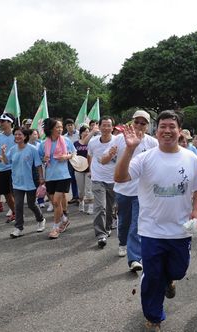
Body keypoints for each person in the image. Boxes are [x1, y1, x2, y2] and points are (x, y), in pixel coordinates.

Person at [114, 110, 197, 331]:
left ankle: (170, 280)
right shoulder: (144, 158)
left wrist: (196, 211)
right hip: (151, 229)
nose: (166, 130)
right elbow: (119, 177)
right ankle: (154, 317)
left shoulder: (191, 158)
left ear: (179, 130)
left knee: (178, 270)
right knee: (152, 276)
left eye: (171, 126)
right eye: (162, 126)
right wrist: (130, 148)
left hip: (180, 230)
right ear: (157, 130)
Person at [103, 110, 157, 272]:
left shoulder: (152, 143)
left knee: (137, 224)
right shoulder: (120, 139)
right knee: (124, 221)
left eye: (143, 123)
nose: (139, 126)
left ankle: (134, 258)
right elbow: (104, 159)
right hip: (123, 189)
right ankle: (122, 242)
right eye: (137, 122)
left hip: (143, 192)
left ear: (148, 126)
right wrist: (110, 155)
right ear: (131, 123)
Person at [2, 127, 46, 237]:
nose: (17, 136)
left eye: (19, 134)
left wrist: (41, 178)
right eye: (15, 134)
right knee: (18, 205)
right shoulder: (12, 149)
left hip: (30, 181)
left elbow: (38, 165)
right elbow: (7, 161)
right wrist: (3, 153)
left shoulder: (32, 149)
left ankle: (41, 219)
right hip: (17, 182)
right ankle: (18, 227)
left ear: (25, 136)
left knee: (31, 204)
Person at [39, 118, 75, 239]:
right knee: (57, 202)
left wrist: (66, 156)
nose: (60, 129)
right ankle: (64, 219)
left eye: (61, 127)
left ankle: (55, 228)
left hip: (63, 175)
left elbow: (74, 154)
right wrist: (44, 159)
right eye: (57, 127)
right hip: (50, 176)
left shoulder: (66, 140)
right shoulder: (43, 144)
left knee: (55, 202)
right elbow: (40, 158)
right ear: (50, 129)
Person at [88, 116, 116, 248]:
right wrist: (90, 171)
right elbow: (90, 156)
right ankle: (101, 235)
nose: (106, 128)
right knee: (100, 207)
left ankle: (108, 226)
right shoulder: (93, 142)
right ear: (99, 127)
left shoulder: (117, 141)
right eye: (103, 125)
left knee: (110, 208)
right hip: (98, 178)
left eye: (108, 125)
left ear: (112, 127)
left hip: (113, 179)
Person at [74, 125, 94, 214]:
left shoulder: (91, 142)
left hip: (89, 169)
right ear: (81, 133)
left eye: (88, 131)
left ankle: (90, 207)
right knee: (81, 190)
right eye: (85, 131)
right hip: (78, 169)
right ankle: (81, 202)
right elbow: (73, 156)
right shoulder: (76, 144)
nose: (86, 133)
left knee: (89, 189)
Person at [63, 118, 80, 205]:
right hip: (69, 160)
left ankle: (81, 197)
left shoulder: (79, 134)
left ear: (74, 125)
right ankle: (75, 196)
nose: (70, 127)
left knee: (80, 178)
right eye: (68, 125)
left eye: (71, 125)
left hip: (79, 159)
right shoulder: (64, 137)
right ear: (65, 127)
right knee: (72, 178)